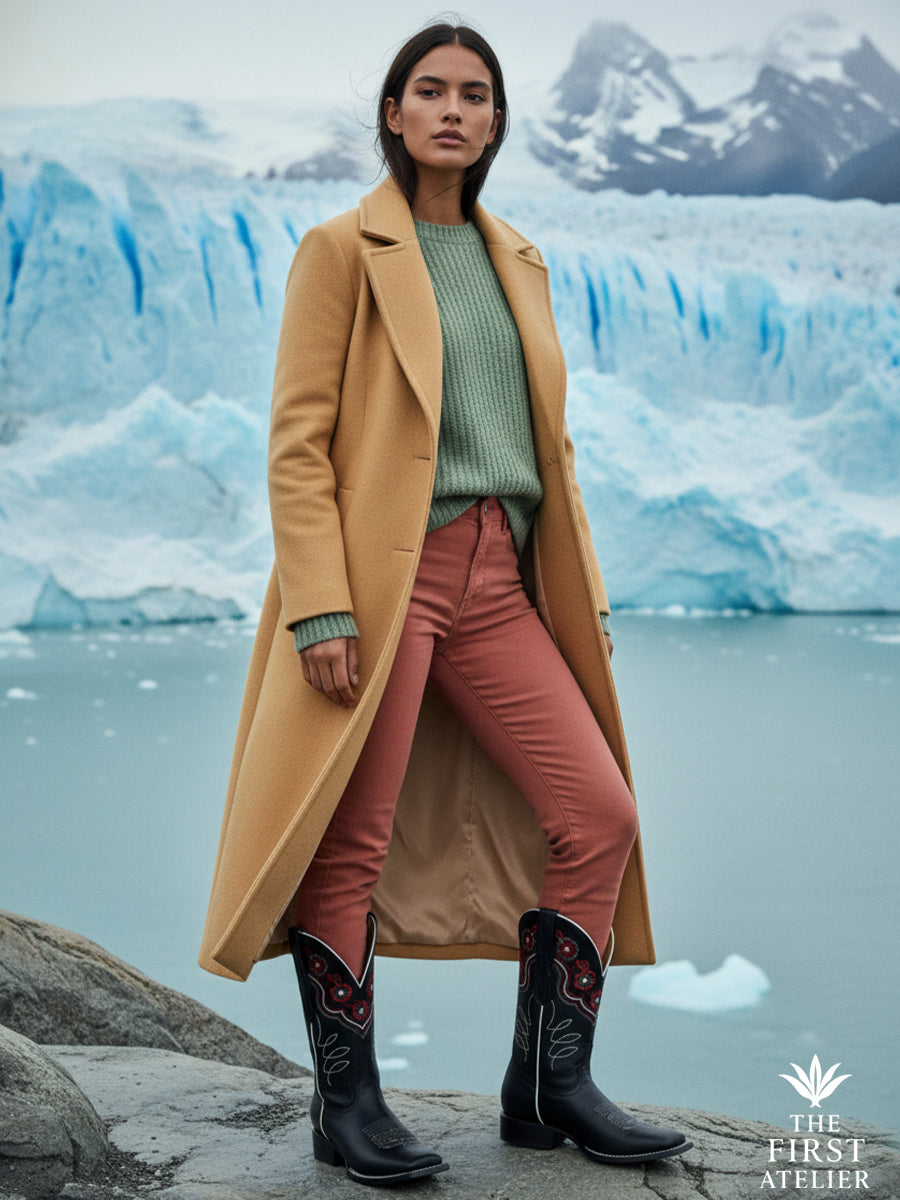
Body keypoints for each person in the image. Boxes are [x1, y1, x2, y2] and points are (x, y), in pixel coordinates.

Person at [199, 21, 691, 1187]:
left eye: (476, 94)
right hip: (385, 583)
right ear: (394, 112)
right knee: (348, 842)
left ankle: (548, 1086)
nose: (454, 111)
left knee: (599, 814)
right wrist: (323, 607)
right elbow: (297, 446)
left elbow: (547, 450)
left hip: (499, 579)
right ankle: (347, 1105)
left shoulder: (518, 256)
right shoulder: (341, 250)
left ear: (498, 120)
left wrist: (588, 596)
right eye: (431, 91)